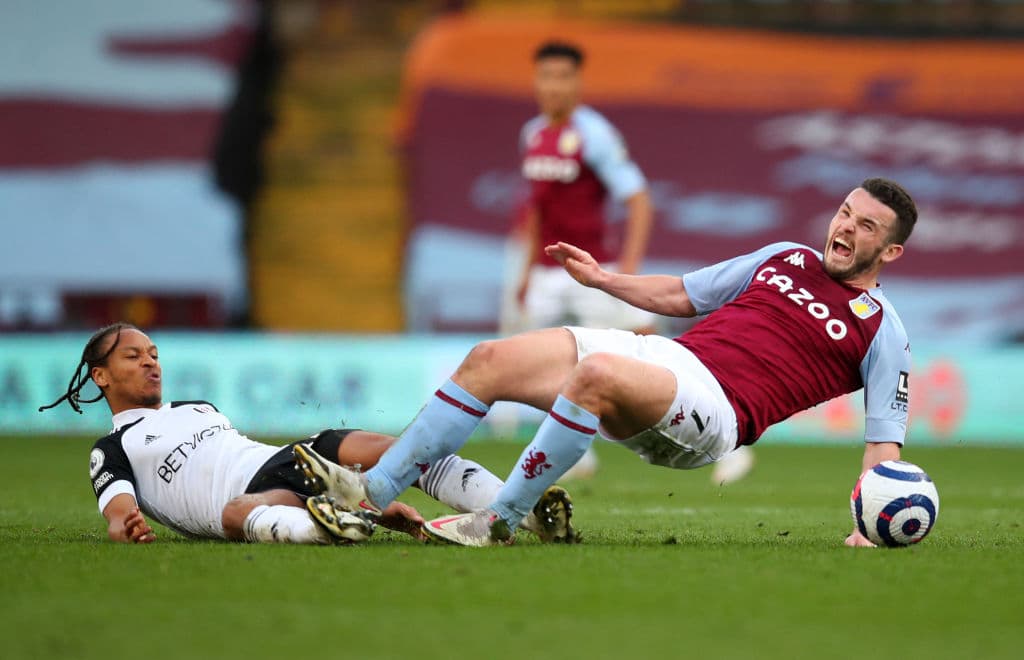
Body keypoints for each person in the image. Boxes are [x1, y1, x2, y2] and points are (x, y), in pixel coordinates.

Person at [304, 178, 917, 548]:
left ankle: (499, 520)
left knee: (591, 377)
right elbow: (682, 295)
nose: (845, 227)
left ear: (889, 250)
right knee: (488, 360)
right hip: (667, 359)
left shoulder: (883, 329)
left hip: (717, 412)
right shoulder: (787, 256)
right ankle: (370, 495)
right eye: (844, 212)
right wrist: (602, 280)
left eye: (865, 226)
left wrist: (868, 525)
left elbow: (882, 445)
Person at [39, 323, 575, 545]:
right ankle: (335, 523)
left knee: (401, 450)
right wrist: (124, 527)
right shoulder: (112, 448)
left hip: (293, 458)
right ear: (101, 377)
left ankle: (522, 511)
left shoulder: (198, 407)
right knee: (235, 514)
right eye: (134, 357)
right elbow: (116, 510)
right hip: (253, 499)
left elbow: (239, 451)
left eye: (154, 354)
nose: (151, 363)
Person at [503, 40, 657, 477]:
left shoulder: (594, 133)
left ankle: (724, 440)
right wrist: (525, 270)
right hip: (545, 271)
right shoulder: (532, 134)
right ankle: (575, 455)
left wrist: (627, 267)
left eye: (563, 76)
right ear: (536, 80)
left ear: (577, 81)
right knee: (536, 366)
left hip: (592, 269)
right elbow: (535, 205)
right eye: (546, 76)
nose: (553, 86)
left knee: (649, 349)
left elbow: (639, 198)